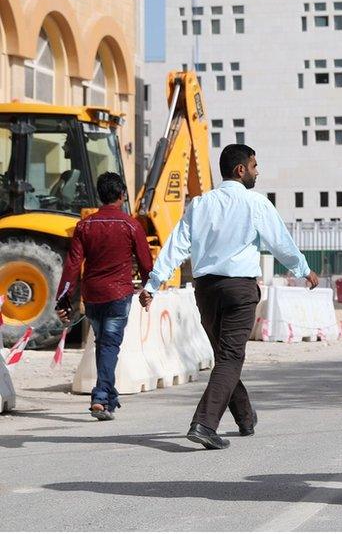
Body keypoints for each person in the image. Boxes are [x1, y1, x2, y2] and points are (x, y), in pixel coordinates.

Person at [140, 144, 318, 450]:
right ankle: (204, 424)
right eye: (254, 165)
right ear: (241, 170)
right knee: (231, 358)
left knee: (225, 357)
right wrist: (304, 269)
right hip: (239, 290)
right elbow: (280, 242)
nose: (257, 171)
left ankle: (245, 417)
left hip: (206, 291)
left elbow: (176, 246)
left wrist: (153, 284)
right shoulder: (255, 203)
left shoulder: (200, 204)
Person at [54, 172, 153, 421]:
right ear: (122, 195)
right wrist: (149, 290)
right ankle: (100, 397)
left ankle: (108, 397)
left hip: (93, 296)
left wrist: (64, 297)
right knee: (109, 345)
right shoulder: (131, 225)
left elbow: (72, 266)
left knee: (103, 344)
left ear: (100, 195)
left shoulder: (84, 225)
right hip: (119, 295)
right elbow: (145, 263)